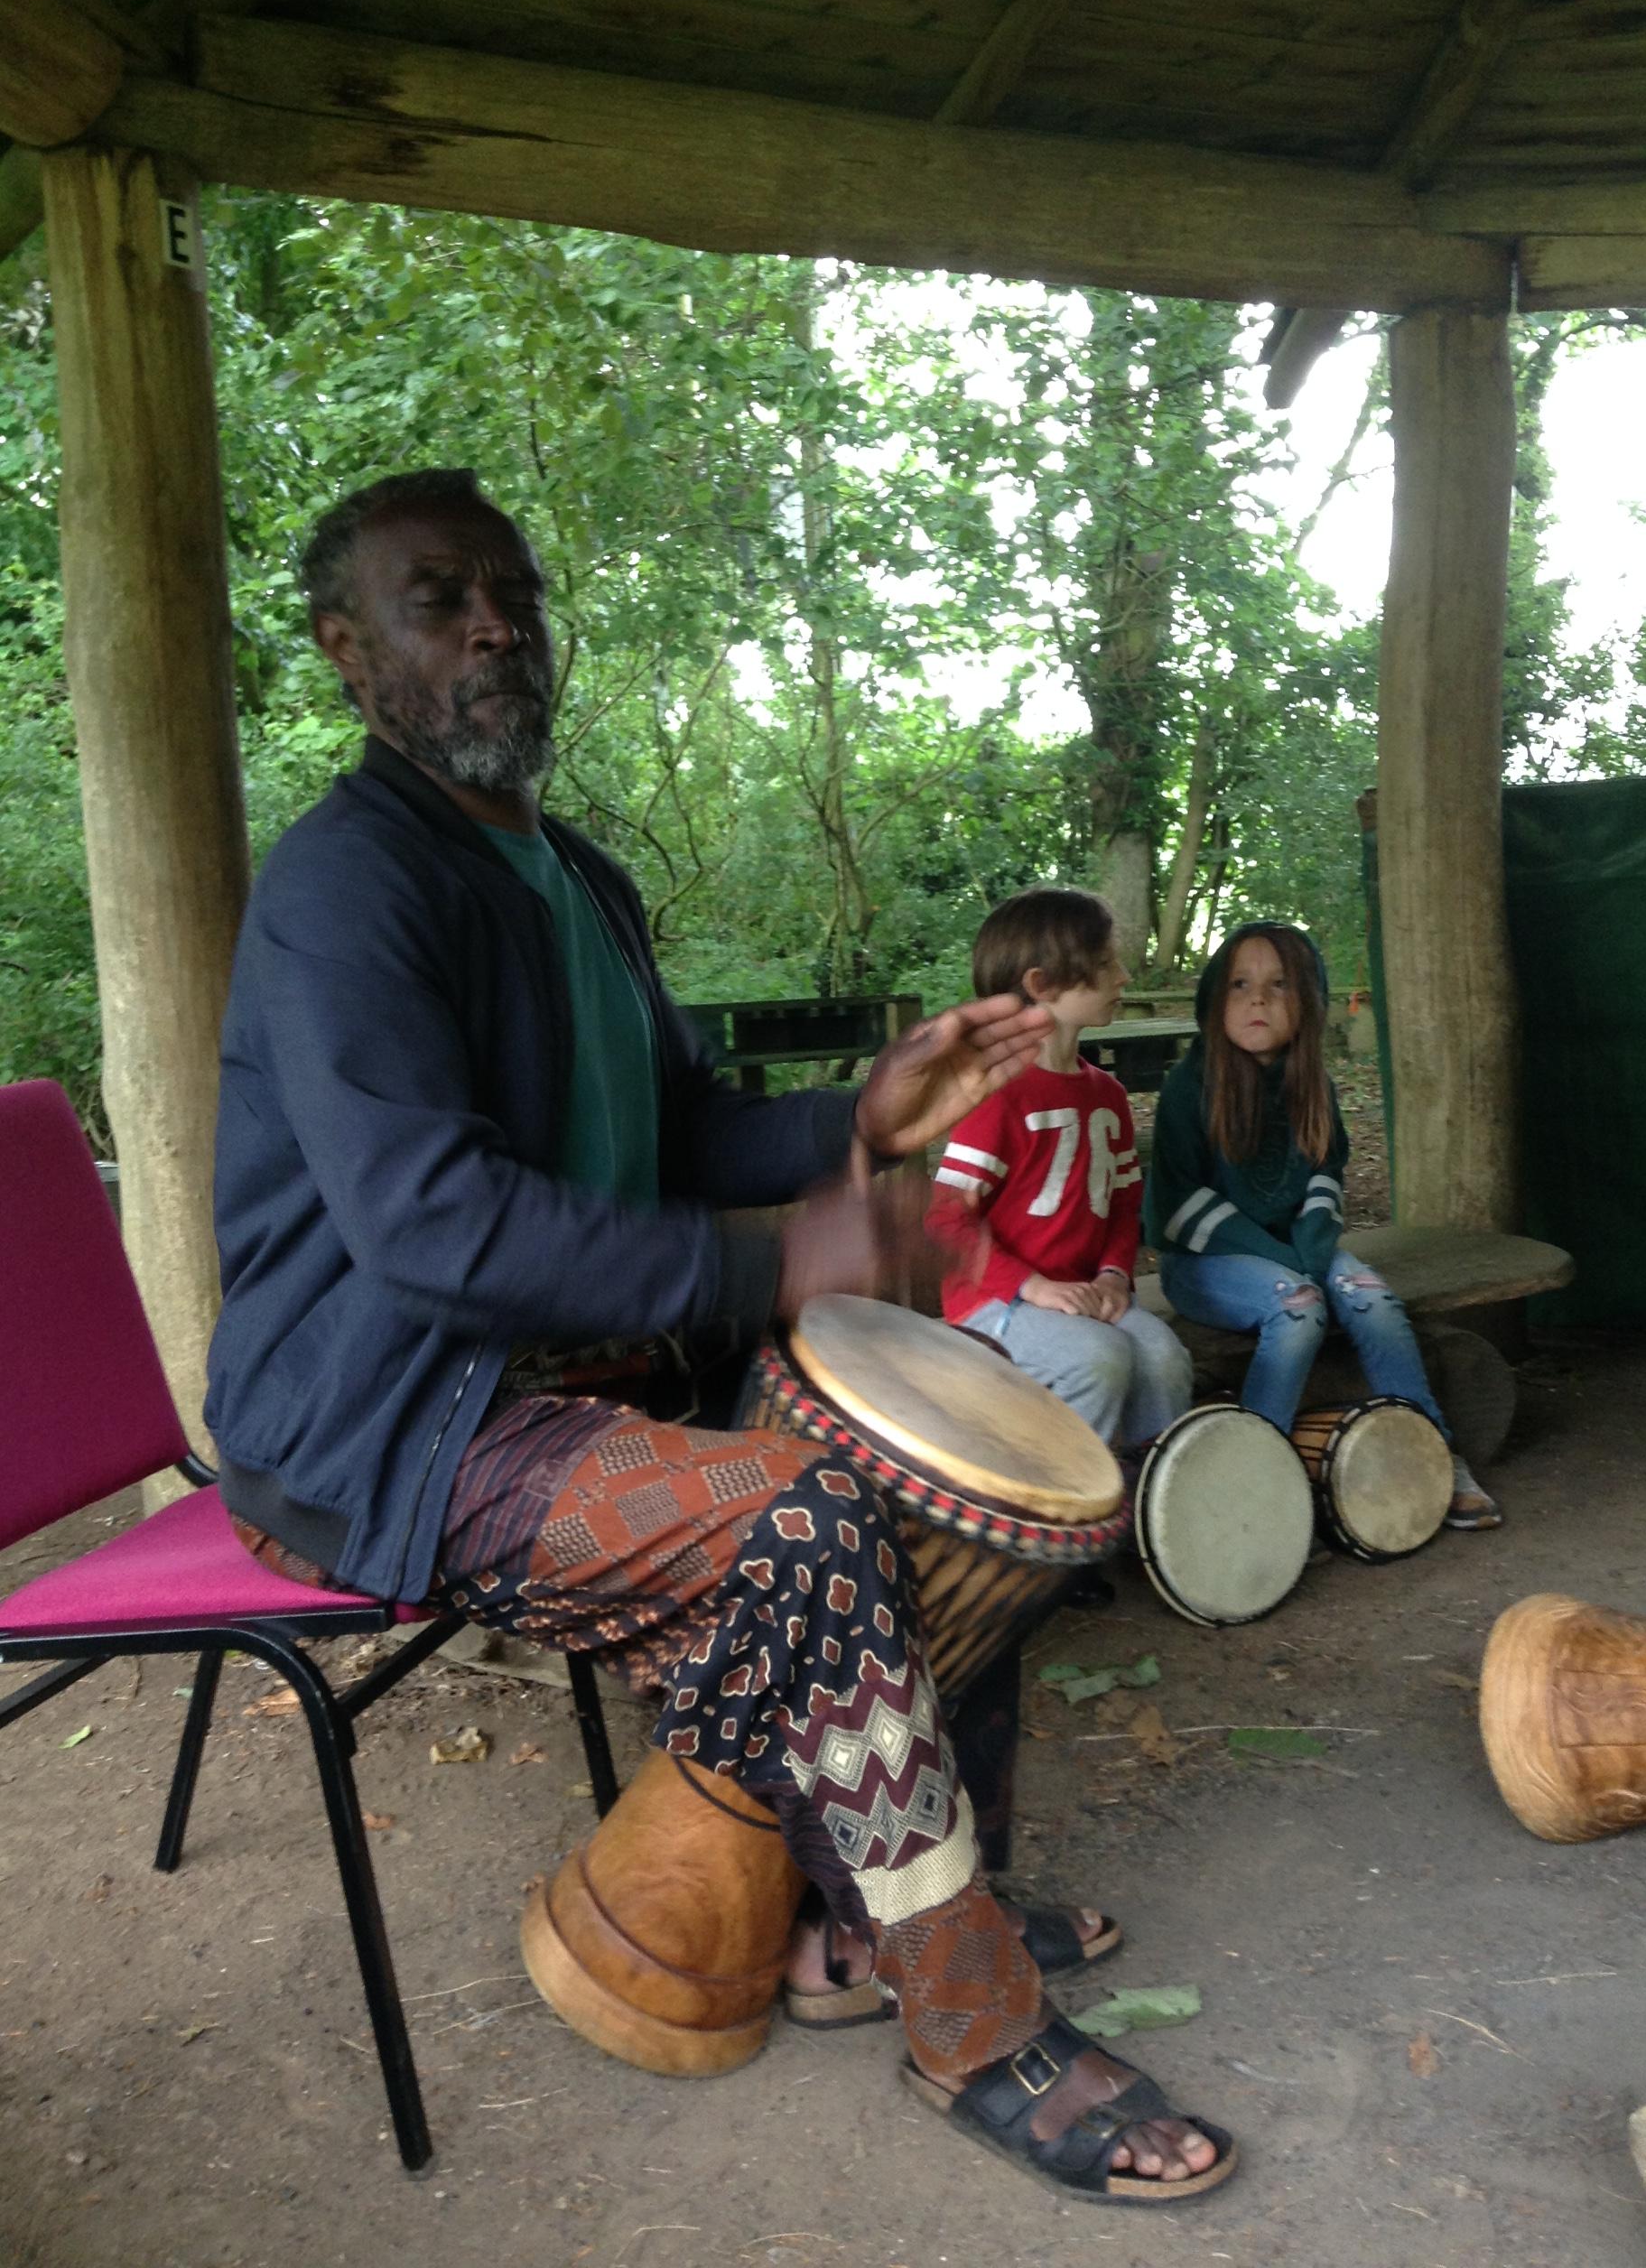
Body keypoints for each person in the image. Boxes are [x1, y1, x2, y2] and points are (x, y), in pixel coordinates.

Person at [207, 468, 1236, 2206]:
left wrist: (862, 1118)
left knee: (957, 1482)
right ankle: (968, 2014)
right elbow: (432, 1226)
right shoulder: (344, 887)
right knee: (803, 1524)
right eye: (439, 599)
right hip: (399, 1422)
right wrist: (775, 1259)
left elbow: (680, 1125)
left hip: (591, 1383)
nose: (495, 628)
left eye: (515, 594)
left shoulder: (574, 877)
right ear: (346, 652)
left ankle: (887, 1905)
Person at [1143, 920, 1501, 1529]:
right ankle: (1255, 1478)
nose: (1258, 999)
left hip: (1296, 1251)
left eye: (1279, 984)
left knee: (1371, 1298)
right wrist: (1290, 1263)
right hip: (1205, 1262)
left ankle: (1434, 1453)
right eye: (1239, 984)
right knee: (1299, 1309)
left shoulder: (1313, 1084)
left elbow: (1324, 1176)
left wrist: (1308, 1251)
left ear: (1307, 1001)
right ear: (1213, 999)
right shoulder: (1188, 1086)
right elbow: (1177, 1204)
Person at [925, 888, 1193, 1458]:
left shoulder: (1108, 1095)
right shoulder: (997, 1095)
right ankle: (1063, 1501)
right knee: (1095, 1359)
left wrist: (1114, 1276)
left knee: (1165, 1358)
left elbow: (1123, 1205)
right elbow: (947, 1222)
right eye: (1105, 963)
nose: (1123, 977)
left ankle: (1152, 1496)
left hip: (1085, 1296)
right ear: (1041, 984)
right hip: (993, 1303)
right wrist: (1035, 1288)